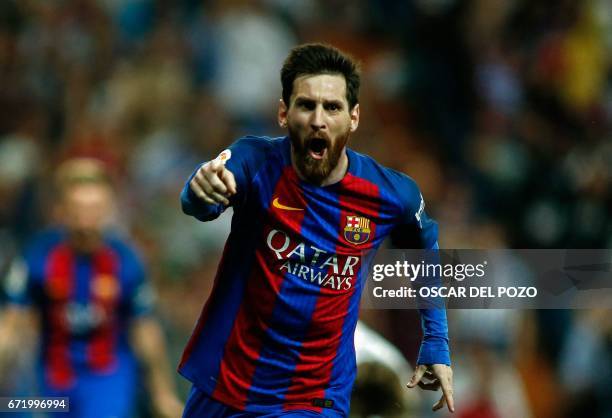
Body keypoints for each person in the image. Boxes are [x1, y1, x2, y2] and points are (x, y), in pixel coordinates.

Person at [179, 43, 454, 417]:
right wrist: (198, 190)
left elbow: (425, 250)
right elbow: (204, 198)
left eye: (333, 107)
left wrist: (436, 342)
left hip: (312, 396)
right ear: (283, 112)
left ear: (353, 117)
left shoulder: (390, 194)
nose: (318, 120)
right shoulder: (254, 160)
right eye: (307, 105)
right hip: (227, 382)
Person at [0, 158, 183, 418]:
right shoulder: (36, 256)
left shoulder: (127, 260)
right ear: (61, 210)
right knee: (12, 409)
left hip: (107, 379)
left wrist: (162, 395)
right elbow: (10, 325)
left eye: (94, 208)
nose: (86, 220)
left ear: (109, 209)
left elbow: (145, 331)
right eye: (77, 209)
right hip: (52, 380)